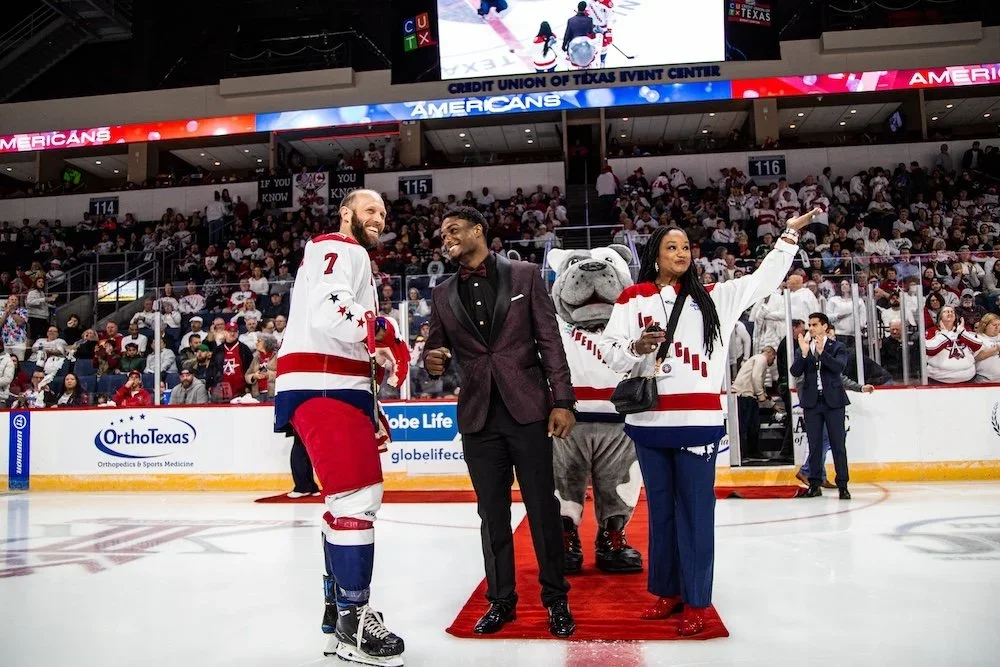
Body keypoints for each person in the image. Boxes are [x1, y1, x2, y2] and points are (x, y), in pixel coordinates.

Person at [599, 207, 822, 635]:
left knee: (697, 514)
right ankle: (667, 592)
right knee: (661, 512)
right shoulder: (633, 298)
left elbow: (764, 279)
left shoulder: (717, 295)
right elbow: (610, 352)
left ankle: (698, 600)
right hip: (647, 423)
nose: (681, 252)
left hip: (697, 422)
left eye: (686, 247)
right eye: (672, 246)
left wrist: (788, 237)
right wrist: (635, 346)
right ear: (656, 254)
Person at [423, 206, 577, 638]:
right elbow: (435, 352)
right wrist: (432, 360)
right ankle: (501, 601)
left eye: (453, 229)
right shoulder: (441, 293)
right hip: (477, 417)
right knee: (491, 515)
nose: (446, 237)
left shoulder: (525, 275)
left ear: (479, 230)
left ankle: (556, 600)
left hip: (529, 411)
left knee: (542, 510)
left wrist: (563, 400)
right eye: (442, 233)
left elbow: (550, 341)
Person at [273, 189, 405, 666]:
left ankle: (338, 616)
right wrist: (383, 330)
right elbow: (332, 314)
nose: (379, 218)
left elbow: (334, 319)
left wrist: (374, 349)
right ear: (346, 213)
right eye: (371, 209)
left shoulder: (339, 254)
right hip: (326, 386)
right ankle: (355, 623)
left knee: (342, 502)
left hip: (330, 383)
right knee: (356, 499)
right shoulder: (339, 247)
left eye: (384, 213)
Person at [795, 325, 874, 488]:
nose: (830, 340)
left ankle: (818, 474)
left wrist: (860, 388)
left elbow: (839, 377)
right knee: (821, 441)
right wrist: (805, 398)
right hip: (814, 403)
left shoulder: (832, 353)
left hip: (830, 402)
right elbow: (800, 378)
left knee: (830, 441)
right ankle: (809, 472)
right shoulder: (807, 352)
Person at [791, 312, 852, 499]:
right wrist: (803, 353)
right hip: (812, 402)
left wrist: (821, 353)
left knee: (838, 445)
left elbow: (837, 368)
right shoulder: (805, 347)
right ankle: (814, 483)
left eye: (815, 324)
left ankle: (843, 485)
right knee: (815, 445)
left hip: (833, 402)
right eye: (809, 324)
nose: (811, 328)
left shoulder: (837, 347)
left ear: (825, 326)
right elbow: (795, 371)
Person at [732, 346, 776, 461]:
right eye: (774, 357)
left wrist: (771, 403)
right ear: (770, 354)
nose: (773, 361)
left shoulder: (755, 359)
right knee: (747, 426)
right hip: (745, 396)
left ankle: (751, 452)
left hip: (747, 396)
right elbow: (756, 377)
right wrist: (761, 395)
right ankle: (744, 453)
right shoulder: (761, 359)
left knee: (753, 426)